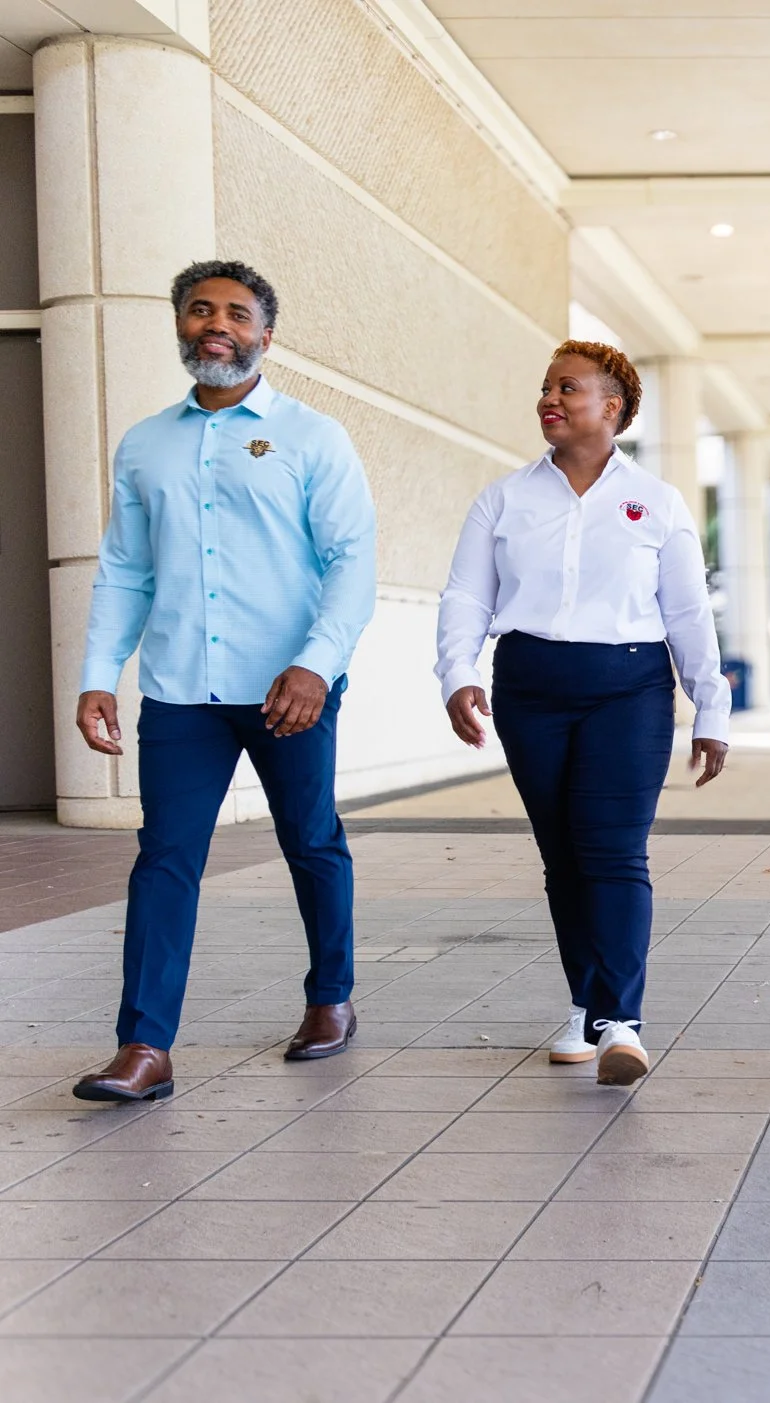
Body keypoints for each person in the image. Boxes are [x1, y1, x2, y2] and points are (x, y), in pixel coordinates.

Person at [72, 261, 377, 1103]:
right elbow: (124, 569)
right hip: (179, 688)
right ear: (180, 327)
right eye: (199, 309)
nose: (217, 323)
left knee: (311, 841)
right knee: (164, 857)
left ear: (264, 336)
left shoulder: (313, 436)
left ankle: (331, 998)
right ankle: (144, 1046)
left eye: (236, 313)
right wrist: (101, 675)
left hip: (290, 687)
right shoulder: (144, 443)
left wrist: (318, 662)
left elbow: (353, 562)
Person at [436, 341, 729, 1087]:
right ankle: (586, 1006)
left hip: (626, 687)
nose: (550, 399)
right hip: (529, 684)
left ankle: (622, 1021)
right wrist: (458, 673)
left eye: (568, 388)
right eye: (545, 387)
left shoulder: (657, 502)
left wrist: (710, 708)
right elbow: (467, 595)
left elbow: (687, 610)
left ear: (615, 408)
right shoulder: (503, 498)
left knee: (614, 852)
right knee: (562, 856)